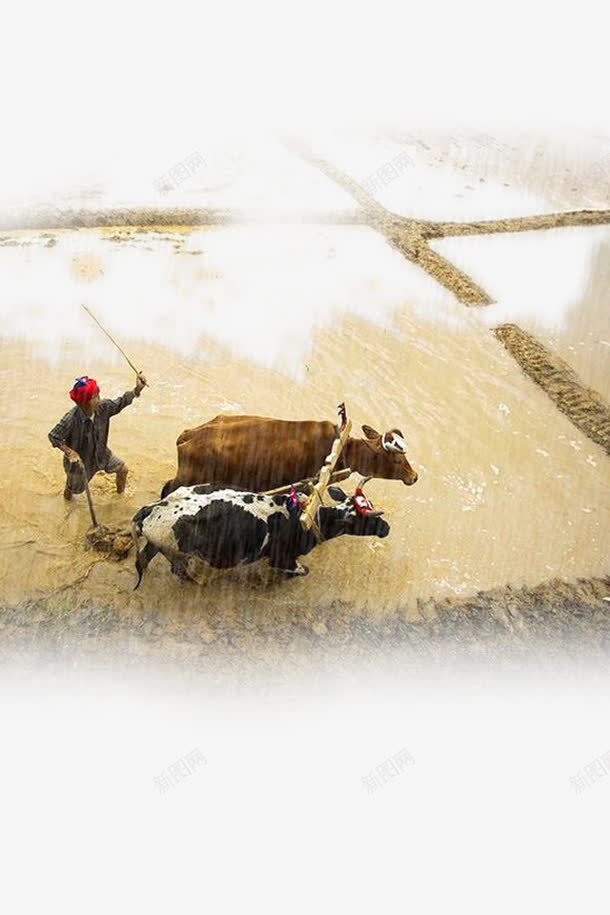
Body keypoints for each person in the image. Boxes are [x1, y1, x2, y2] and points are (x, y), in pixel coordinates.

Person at [48, 372, 147, 501]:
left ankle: (120, 498)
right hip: (81, 463)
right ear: (85, 403)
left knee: (123, 469)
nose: (99, 399)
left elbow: (121, 402)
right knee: (73, 489)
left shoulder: (104, 407)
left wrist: (137, 390)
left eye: (98, 394)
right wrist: (70, 452)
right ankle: (67, 504)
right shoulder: (71, 419)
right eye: (95, 396)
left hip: (101, 454)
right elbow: (53, 436)